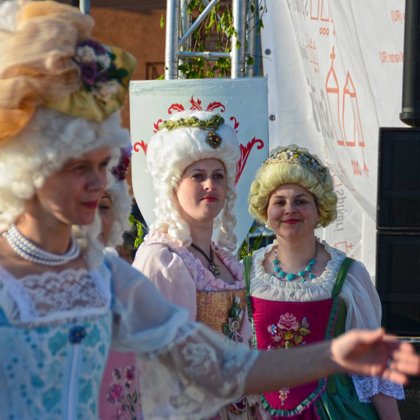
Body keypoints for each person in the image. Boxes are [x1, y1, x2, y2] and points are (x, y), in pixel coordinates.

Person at [0, 3, 419, 419]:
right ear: (32, 166)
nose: (98, 182)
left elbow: (222, 367)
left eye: (102, 165)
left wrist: (332, 354)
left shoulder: (108, 277)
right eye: (79, 167)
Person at [246, 144, 403, 419]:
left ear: (320, 210)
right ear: (266, 211)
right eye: (279, 202)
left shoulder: (349, 276)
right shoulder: (245, 274)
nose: (290, 209)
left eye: (301, 201)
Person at [133, 110, 258, 418]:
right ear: (173, 184)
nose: (210, 185)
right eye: (197, 176)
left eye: (218, 176)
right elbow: (154, 364)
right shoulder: (163, 259)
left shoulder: (223, 259)